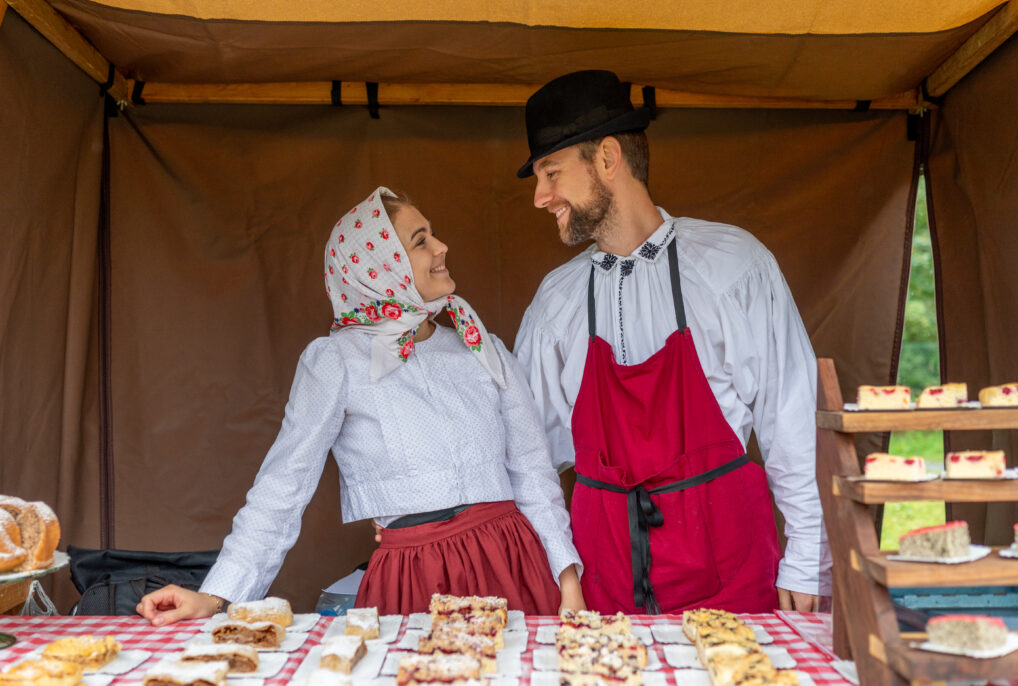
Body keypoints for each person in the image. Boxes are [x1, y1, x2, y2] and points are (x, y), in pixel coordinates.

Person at [137, 187, 584, 625]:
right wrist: (216, 596)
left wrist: (568, 584)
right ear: (378, 266)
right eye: (421, 240)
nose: (442, 247)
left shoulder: (482, 349)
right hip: (415, 580)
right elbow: (282, 489)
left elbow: (533, 474)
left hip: (513, 563)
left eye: (433, 234)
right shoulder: (336, 362)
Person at [513, 70, 831, 615]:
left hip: (730, 572)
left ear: (607, 159)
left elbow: (792, 419)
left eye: (551, 173)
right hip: (604, 584)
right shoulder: (555, 303)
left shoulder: (734, 266)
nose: (541, 197)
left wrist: (808, 557)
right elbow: (520, 450)